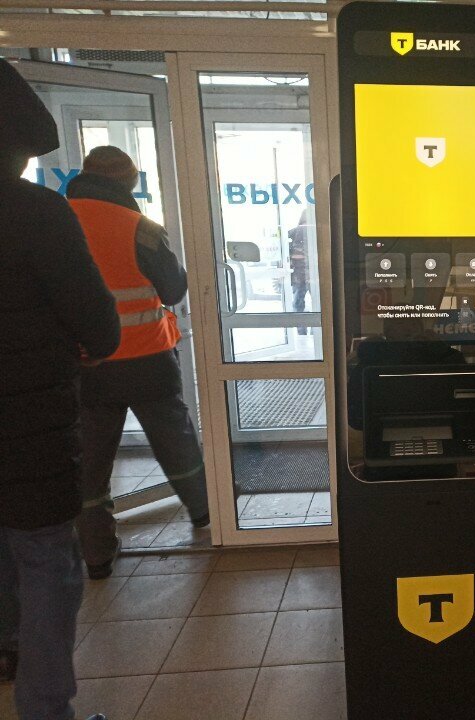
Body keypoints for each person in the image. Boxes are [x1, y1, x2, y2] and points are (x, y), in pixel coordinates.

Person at [0, 57, 118, 720]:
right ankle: (45, 711)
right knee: (46, 563)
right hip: (27, 433)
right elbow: (98, 326)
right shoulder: (35, 212)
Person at [65, 146, 209, 580]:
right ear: (128, 181)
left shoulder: (57, 221)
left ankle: (96, 554)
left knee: (91, 462)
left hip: (87, 365)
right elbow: (173, 290)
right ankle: (206, 514)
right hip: (148, 359)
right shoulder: (140, 227)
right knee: (175, 441)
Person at [287, 209, 315, 334]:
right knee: (319, 303)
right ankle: (317, 330)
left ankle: (301, 330)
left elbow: (287, 255)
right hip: (315, 274)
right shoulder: (319, 232)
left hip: (298, 275)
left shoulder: (292, 233)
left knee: (298, 303)